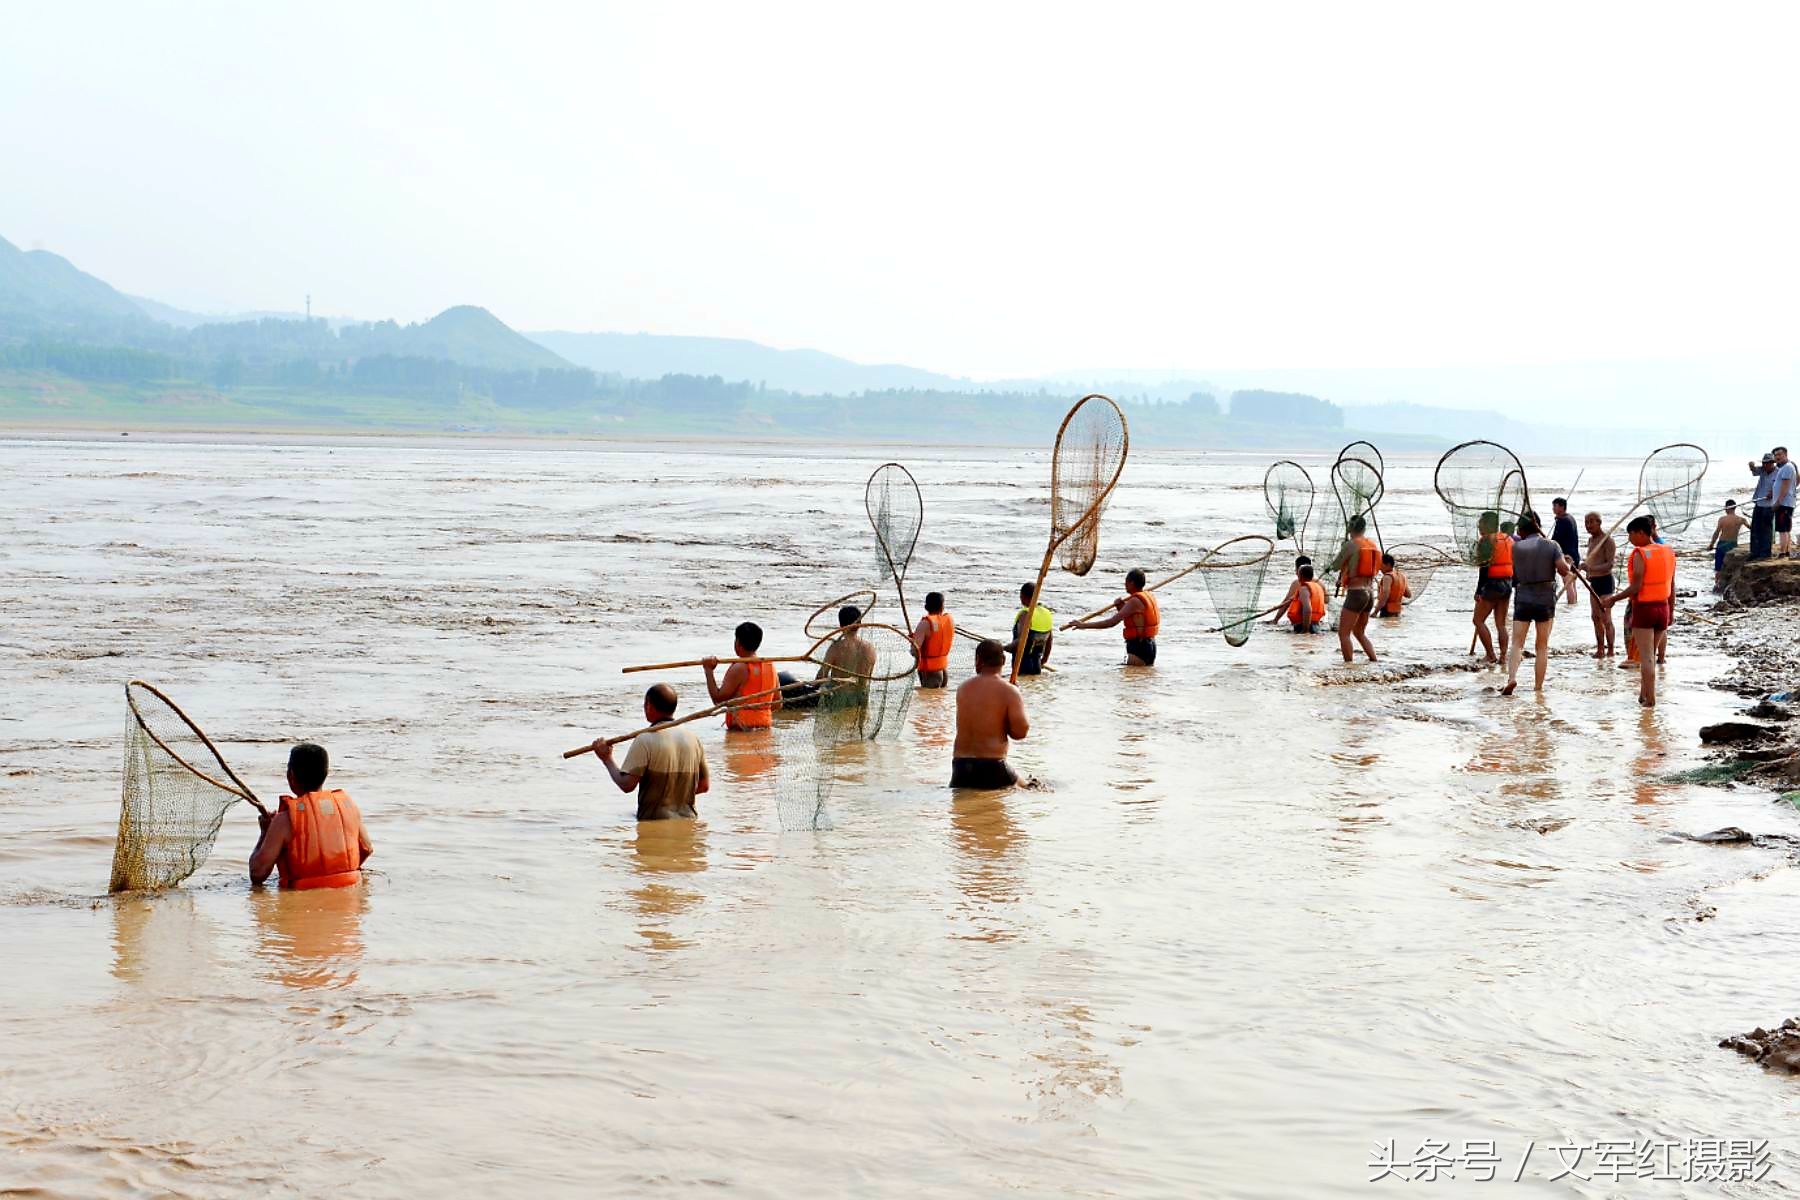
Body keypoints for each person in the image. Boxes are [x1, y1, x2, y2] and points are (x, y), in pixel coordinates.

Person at [249, 743, 372, 889]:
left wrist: (265, 832)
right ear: (326, 773)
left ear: (291, 776)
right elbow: (367, 849)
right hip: (349, 898)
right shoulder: (349, 807)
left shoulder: (284, 820)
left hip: (302, 897)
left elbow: (257, 874)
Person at [590, 684, 710, 820]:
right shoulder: (693, 739)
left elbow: (627, 784)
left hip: (655, 822)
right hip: (688, 823)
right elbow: (703, 786)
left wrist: (607, 759)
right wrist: (676, 795)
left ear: (649, 706)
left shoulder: (645, 739)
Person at [1603, 515, 1676, 707]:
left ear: (1641, 533)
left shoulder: (1640, 554)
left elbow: (1635, 587)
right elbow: (1672, 585)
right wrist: (1672, 612)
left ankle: (1650, 700)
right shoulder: (1668, 551)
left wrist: (1613, 599)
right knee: (1650, 655)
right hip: (1663, 607)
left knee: (1646, 658)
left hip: (1644, 609)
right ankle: (1643, 695)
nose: (1630, 539)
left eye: (1631, 534)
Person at [1502, 514, 1573, 696]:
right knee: (1542, 646)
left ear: (1523, 530)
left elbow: (1515, 574)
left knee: (1517, 643)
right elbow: (1563, 569)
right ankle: (1538, 687)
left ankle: (1511, 678)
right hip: (1545, 597)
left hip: (1523, 596)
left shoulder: (1516, 547)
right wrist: (1568, 562)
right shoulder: (1552, 545)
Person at [951, 639, 1029, 789]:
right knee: (1031, 788)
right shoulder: (1009, 691)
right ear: (1004, 661)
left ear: (978, 660)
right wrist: (1015, 695)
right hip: (993, 767)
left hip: (960, 767)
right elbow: (1020, 733)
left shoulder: (963, 689)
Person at [1064, 567, 1159, 665]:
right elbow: (1135, 618)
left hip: (1139, 646)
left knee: (1134, 679)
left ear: (1132, 583)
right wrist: (1121, 607)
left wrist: (1083, 625)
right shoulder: (1147, 596)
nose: (1124, 584)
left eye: (1126, 581)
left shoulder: (1134, 601)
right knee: (1143, 677)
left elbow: (1111, 622)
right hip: (1149, 644)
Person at [704, 621, 778, 730]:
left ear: (737, 643)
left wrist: (708, 671)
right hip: (764, 730)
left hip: (740, 730)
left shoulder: (740, 668)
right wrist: (758, 713)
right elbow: (777, 703)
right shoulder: (770, 666)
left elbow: (718, 700)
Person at [1326, 516, 1379, 662]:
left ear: (1350, 528)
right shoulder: (1372, 544)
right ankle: (1374, 661)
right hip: (1370, 593)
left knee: (1343, 634)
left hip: (1356, 594)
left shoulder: (1350, 545)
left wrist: (1343, 550)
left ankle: (1348, 667)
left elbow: (1335, 566)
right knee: (1359, 632)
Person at [1471, 510, 1513, 664]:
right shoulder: (1507, 539)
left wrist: (1478, 590)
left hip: (1492, 584)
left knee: (1478, 620)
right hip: (1507, 583)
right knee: (1501, 623)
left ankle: (1490, 655)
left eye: (1481, 523)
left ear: (1488, 525)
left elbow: (1484, 568)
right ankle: (1503, 657)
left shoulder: (1486, 541)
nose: (1479, 526)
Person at [1581, 510, 1617, 658]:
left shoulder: (1607, 540)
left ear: (1599, 522)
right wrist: (1587, 571)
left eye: (1591, 522)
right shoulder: (1591, 541)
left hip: (1605, 581)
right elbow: (1591, 561)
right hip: (1593, 582)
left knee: (1606, 618)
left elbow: (1609, 564)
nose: (1588, 525)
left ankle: (1611, 650)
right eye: (1586, 523)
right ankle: (1600, 649)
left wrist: (1591, 569)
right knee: (1595, 617)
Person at [912, 591, 955, 688]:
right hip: (943, 670)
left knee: (927, 700)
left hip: (930, 672)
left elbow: (915, 650)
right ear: (942, 607)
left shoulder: (924, 624)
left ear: (926, 607)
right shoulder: (949, 620)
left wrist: (912, 642)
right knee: (939, 700)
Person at [1010, 582, 1055, 676]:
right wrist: (1044, 659)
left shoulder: (1025, 614)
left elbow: (1021, 641)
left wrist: (1002, 648)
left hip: (1022, 665)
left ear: (1022, 596)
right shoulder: (1047, 613)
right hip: (1037, 664)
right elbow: (1049, 640)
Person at [1707, 500, 1750, 591]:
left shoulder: (1722, 519)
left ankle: (1718, 586)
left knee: (1718, 568)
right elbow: (1752, 529)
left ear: (1727, 508)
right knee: (1730, 567)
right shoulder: (1741, 519)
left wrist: (1711, 544)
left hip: (1722, 545)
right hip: (1733, 545)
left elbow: (1717, 533)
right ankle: (1729, 586)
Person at [1275, 563, 1328, 632]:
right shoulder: (1318, 587)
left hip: (1304, 626)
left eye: (1298, 574)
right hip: (1316, 626)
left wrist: (1304, 631)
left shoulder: (1304, 589)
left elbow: (1308, 609)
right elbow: (1327, 600)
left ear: (1301, 576)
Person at [1551, 498, 1582, 604]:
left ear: (1562, 507)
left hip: (1567, 556)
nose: (1553, 508)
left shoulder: (1563, 521)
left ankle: (1571, 604)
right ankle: (1573, 606)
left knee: (1568, 582)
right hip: (1574, 555)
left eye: (1555, 506)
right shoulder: (1570, 518)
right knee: (1571, 582)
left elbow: (1556, 539)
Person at [1748, 452, 1778, 560]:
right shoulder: (1762, 470)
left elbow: (1783, 487)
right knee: (1755, 528)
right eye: (1764, 463)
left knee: (1766, 529)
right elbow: (1754, 470)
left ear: (1772, 463)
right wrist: (1751, 466)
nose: (1765, 465)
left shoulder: (1778, 473)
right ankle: (1754, 552)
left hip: (1769, 505)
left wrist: (1773, 493)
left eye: (1767, 463)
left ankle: (1765, 553)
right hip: (1759, 502)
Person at [1776, 447, 1796, 557]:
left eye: (1780, 454)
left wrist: (1778, 502)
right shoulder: (1787, 467)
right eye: (1776, 455)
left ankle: (1782, 552)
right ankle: (1787, 551)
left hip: (1784, 503)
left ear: (1785, 454)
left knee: (1782, 529)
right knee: (1786, 528)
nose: (1777, 457)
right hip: (1787, 502)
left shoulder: (1787, 467)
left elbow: (1785, 486)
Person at [1375, 553, 1409, 618]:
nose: (1379, 568)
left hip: (1386, 612)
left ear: (1388, 565)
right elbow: (1408, 595)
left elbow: (1385, 596)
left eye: (1381, 565)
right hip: (1397, 613)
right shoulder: (1402, 576)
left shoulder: (1387, 577)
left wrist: (1375, 612)